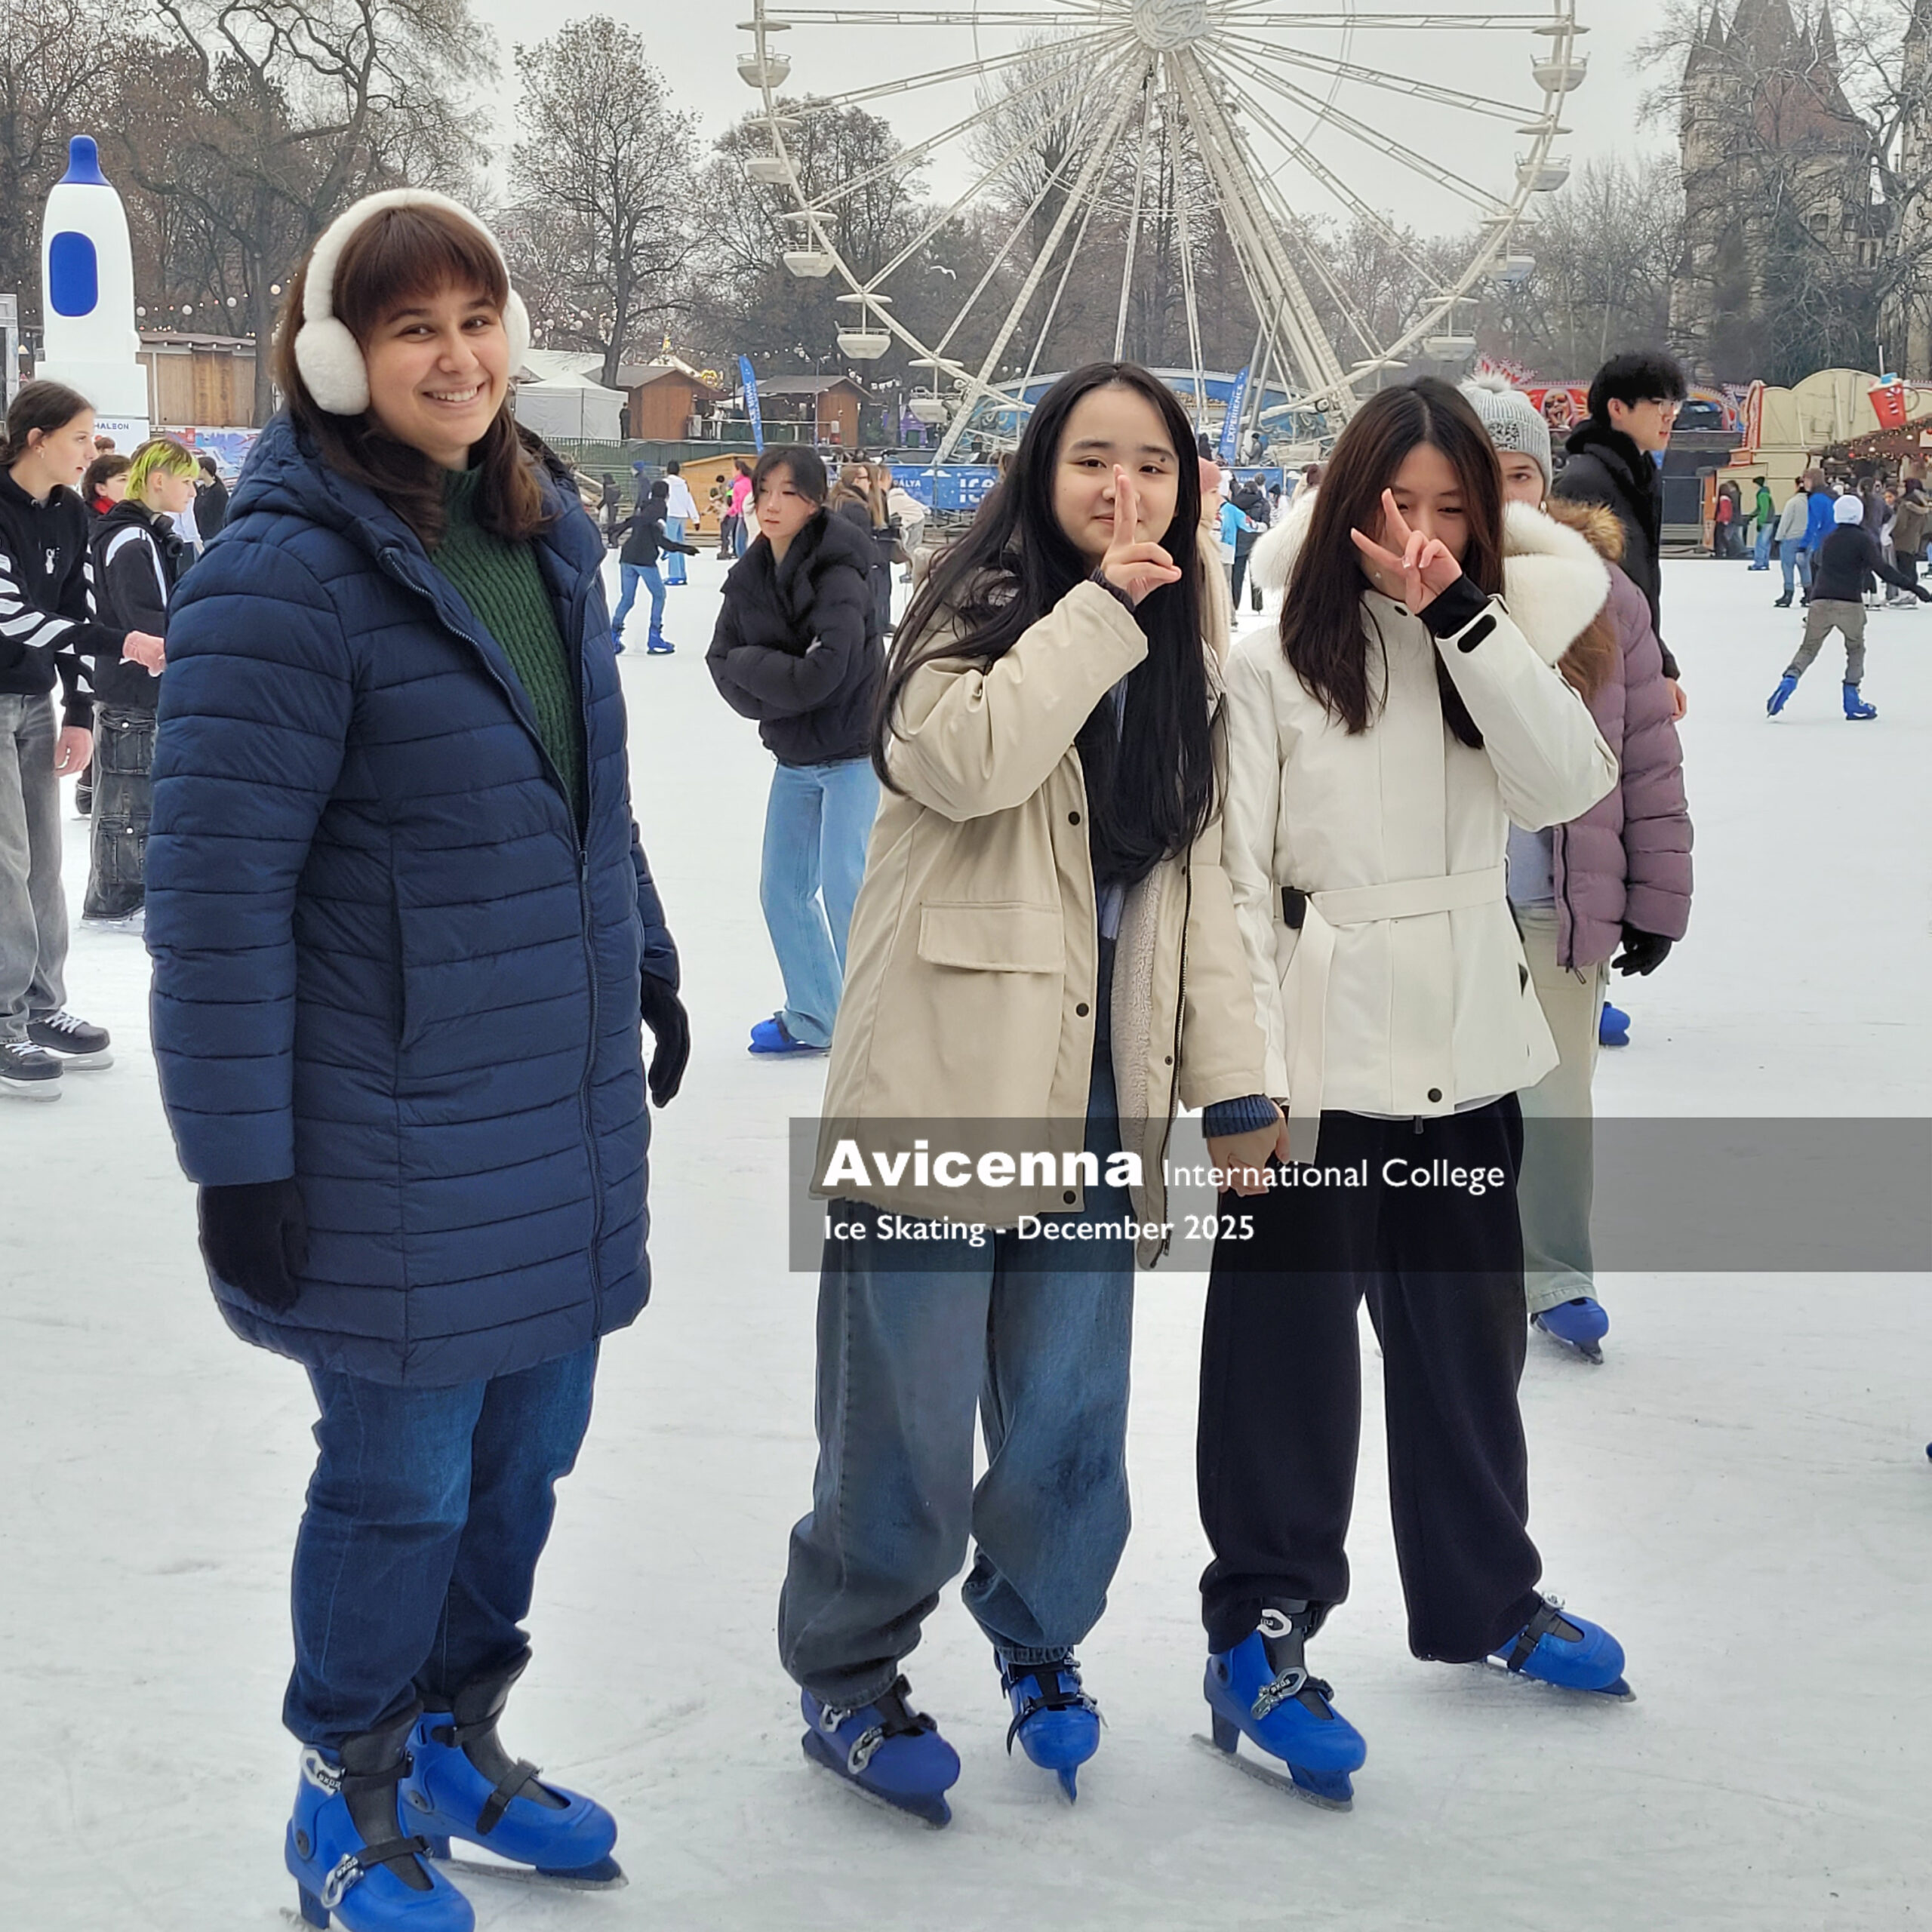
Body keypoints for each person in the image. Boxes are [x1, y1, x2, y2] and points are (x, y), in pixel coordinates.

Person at [145, 189, 689, 1930]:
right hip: (384, 1124)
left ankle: (453, 1733)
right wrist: (239, 1158)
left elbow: (583, 786)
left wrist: (646, 950)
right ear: (334, 358)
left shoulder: (542, 527)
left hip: (551, 1102)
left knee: (530, 1450)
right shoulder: (285, 573)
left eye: (474, 319)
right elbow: (214, 898)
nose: (456, 359)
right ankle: (345, 1781)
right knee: (401, 1482)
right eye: (409, 330)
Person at [777, 361, 1275, 1824]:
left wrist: (1233, 1084)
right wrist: (1100, 612)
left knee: (1067, 1408)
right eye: (1091, 461)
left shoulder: (1191, 659)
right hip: (945, 1067)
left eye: (1153, 466)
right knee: (906, 1419)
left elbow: (1199, 893)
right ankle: (850, 1667)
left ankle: (1041, 1635)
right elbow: (963, 761)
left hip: (1104, 1075)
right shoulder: (964, 609)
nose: (1124, 490)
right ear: (1040, 474)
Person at [1204, 379, 1626, 1806]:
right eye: (1401, 506)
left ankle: (1486, 1595)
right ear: (1347, 505)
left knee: (1465, 1354)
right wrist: (1246, 1085)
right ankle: (1259, 1628)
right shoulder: (1268, 662)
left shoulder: (1489, 646)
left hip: (1466, 1050)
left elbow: (1567, 785)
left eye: (1455, 511)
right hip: (1318, 1070)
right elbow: (1233, 886)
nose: (1423, 534)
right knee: (1286, 1367)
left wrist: (1465, 621)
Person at [1466, 375, 1693, 1363]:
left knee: (1556, 1099)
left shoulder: (1603, 596)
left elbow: (1648, 755)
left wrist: (1655, 901)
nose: (1501, 494)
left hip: (1555, 898)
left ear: (1545, 482)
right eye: (1478, 473)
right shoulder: (1395, 593)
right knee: (1446, 1104)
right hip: (1438, 904)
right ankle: (1447, 1270)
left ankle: (1557, 1272)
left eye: (1519, 473)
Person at [706, 448, 881, 1058]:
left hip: (853, 750)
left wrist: (754, 666)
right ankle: (816, 1014)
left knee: (845, 885)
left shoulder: (840, 573)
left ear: (815, 500)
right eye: (764, 492)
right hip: (795, 754)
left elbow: (825, 674)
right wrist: (778, 683)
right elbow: (719, 661)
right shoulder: (750, 575)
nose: (772, 505)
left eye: (789, 493)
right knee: (782, 889)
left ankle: (878, 1023)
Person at [0, 380, 149, 1098]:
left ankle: (41, 1005)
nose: (92, 452)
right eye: (81, 438)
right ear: (38, 441)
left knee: (42, 861)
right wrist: (127, 644)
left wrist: (80, 711)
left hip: (33, 701)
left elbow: (74, 607)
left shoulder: (66, 512)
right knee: (6, 863)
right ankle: (4, 1018)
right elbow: (13, 615)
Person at [82, 437, 197, 930]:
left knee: (136, 795)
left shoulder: (142, 534)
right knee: (129, 801)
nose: (193, 491)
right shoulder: (132, 538)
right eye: (186, 481)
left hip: (135, 686)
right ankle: (119, 898)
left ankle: (124, 895)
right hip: (132, 687)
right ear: (158, 480)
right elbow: (143, 617)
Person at [1552, 349, 1688, 718]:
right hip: (1597, 678)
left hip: (1633, 664)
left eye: (1674, 404)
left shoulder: (1641, 477)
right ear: (1617, 408)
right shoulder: (1582, 482)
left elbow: (1640, 591)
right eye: (1658, 403)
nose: (1670, 415)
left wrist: (1661, 666)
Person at [1767, 494, 1930, 721]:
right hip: (1849, 603)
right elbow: (1883, 569)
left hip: (1820, 600)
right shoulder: (1863, 539)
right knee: (1855, 648)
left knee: (1808, 648)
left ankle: (1789, 680)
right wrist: (1914, 587)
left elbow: (1817, 560)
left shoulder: (1829, 539)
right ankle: (1852, 698)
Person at [611, 479, 697, 655]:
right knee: (659, 595)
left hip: (627, 557)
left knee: (627, 599)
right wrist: (684, 549)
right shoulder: (659, 509)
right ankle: (654, 637)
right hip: (644, 559)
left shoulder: (644, 506)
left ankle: (612, 637)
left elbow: (644, 525)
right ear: (667, 495)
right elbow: (661, 541)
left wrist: (622, 527)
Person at [1772, 475, 1814, 606]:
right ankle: (1809, 593)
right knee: (1805, 566)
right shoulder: (1812, 502)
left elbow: (1785, 521)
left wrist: (1778, 538)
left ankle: (1788, 593)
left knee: (1788, 567)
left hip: (1791, 538)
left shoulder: (1793, 502)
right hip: (1807, 539)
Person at [1887, 475, 1930, 598]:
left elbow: (1901, 525)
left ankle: (1905, 593)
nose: (1899, 489)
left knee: (1903, 568)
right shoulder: (1921, 505)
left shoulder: (1905, 505)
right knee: (1910, 566)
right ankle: (1912, 593)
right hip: (1914, 540)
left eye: (1902, 486)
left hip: (1902, 541)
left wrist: (1892, 534)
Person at [1228, 477, 1267, 609]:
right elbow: (1266, 523)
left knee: (1237, 577)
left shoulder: (1235, 502)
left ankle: (1234, 604)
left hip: (1239, 542)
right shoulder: (1263, 503)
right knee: (1255, 576)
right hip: (1257, 543)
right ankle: (1257, 605)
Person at [661, 460, 698, 586]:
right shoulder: (684, 484)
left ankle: (674, 575)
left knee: (671, 545)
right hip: (682, 516)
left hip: (671, 514)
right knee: (680, 545)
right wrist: (695, 518)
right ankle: (682, 574)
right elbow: (689, 500)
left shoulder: (665, 483)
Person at [194, 451, 230, 540]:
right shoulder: (201, 490)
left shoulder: (219, 491)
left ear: (203, 470)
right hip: (201, 536)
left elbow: (223, 515)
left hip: (215, 537)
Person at [83, 451, 130, 515]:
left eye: (133, 479)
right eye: (123, 479)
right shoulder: (82, 517)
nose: (132, 484)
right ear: (101, 489)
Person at [728, 456, 755, 558]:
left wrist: (729, 512)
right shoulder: (749, 481)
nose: (732, 472)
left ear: (739, 470)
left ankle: (744, 562)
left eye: (733, 470)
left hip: (743, 515)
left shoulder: (740, 485)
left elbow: (740, 502)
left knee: (740, 543)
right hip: (750, 514)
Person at [1750, 475, 1776, 569]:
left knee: (1760, 543)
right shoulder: (1765, 494)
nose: (1753, 486)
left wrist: (1760, 523)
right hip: (1770, 521)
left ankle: (1759, 563)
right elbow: (1760, 508)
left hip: (1766, 522)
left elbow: (1764, 510)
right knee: (1766, 543)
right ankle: (1765, 562)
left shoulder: (1762, 495)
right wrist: (1752, 515)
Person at [1712, 481, 1736, 558]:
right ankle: (1727, 550)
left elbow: (1724, 510)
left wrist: (1725, 519)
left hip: (1721, 520)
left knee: (1720, 537)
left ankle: (1720, 551)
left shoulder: (1723, 499)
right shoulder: (1728, 499)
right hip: (1724, 520)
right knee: (1722, 536)